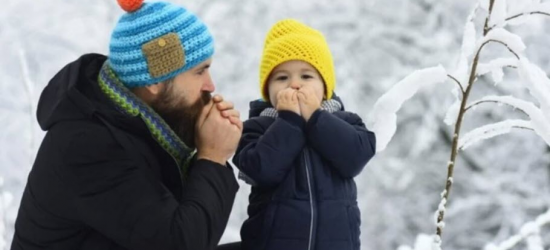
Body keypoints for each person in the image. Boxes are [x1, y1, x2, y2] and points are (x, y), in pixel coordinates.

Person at [11, 0, 242, 249]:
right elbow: (180, 241)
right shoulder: (88, 145)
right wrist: (212, 157)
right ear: (155, 81)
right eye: (200, 71)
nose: (210, 85)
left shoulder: (137, 126)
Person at [232, 19, 377, 250]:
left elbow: (356, 158)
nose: (295, 85)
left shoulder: (347, 121)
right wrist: (289, 121)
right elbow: (261, 170)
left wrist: (316, 118)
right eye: (282, 78)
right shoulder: (257, 127)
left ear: (325, 85)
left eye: (306, 76)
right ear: (267, 90)